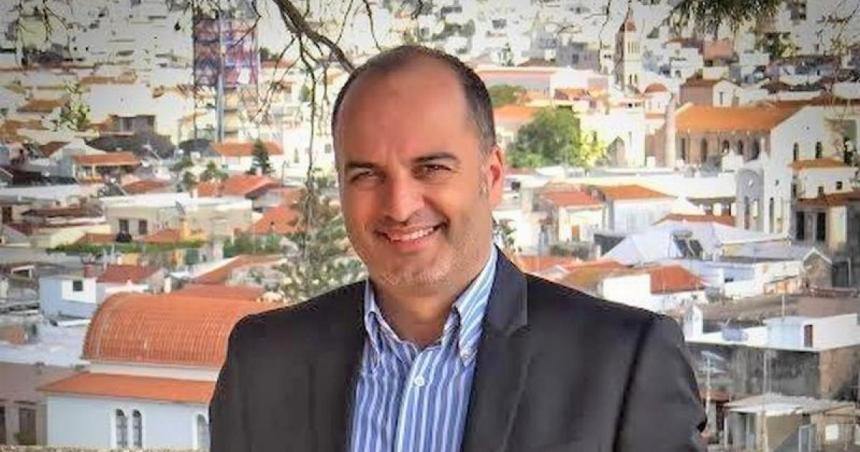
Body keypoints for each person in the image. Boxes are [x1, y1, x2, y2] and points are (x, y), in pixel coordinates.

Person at [210, 45, 706, 452]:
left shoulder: (623, 363)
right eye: (366, 175)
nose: (400, 206)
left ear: (492, 176)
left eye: (431, 169)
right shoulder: (264, 363)